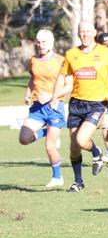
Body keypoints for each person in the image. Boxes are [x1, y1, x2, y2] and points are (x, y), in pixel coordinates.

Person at [50, 20, 108, 192]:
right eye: (81, 31)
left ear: (93, 33)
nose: (84, 34)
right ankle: (78, 182)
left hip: (97, 104)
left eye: (87, 31)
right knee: (74, 148)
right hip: (76, 104)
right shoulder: (71, 54)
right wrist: (55, 97)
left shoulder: (106, 53)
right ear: (78, 33)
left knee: (81, 139)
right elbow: (62, 77)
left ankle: (97, 152)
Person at [19, 29, 70, 188]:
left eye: (44, 42)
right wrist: (28, 93)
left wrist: (50, 96)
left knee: (50, 146)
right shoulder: (33, 60)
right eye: (38, 42)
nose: (40, 45)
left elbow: (69, 85)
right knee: (24, 138)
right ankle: (47, 130)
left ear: (51, 43)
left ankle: (57, 177)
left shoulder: (61, 61)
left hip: (54, 107)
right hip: (37, 108)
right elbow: (32, 79)